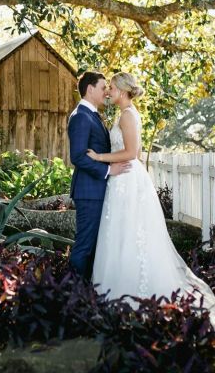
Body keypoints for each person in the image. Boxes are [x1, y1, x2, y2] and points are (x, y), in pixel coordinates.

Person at [86, 72, 215, 337]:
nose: (108, 91)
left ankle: (134, 295)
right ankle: (119, 292)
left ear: (122, 90)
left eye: (111, 87)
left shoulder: (127, 115)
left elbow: (132, 153)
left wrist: (100, 157)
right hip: (121, 181)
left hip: (128, 182)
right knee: (123, 236)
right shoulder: (125, 114)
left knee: (134, 235)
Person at [67, 71, 131, 280]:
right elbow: (78, 156)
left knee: (95, 245)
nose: (106, 92)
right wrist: (107, 170)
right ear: (90, 89)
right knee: (85, 244)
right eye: (103, 87)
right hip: (89, 191)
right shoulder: (81, 116)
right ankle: (72, 292)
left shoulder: (92, 114)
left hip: (97, 189)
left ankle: (87, 290)